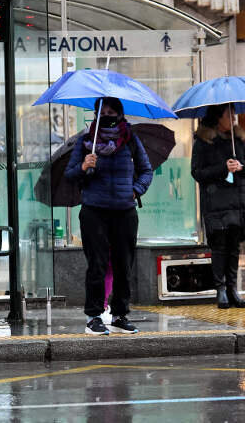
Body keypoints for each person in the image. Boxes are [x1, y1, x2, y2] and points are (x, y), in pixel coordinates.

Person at [65, 97, 152, 335]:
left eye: (113, 111)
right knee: (97, 264)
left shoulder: (131, 139)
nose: (108, 115)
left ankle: (119, 314)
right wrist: (84, 166)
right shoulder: (86, 141)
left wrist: (136, 190)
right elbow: (70, 175)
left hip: (125, 211)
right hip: (94, 211)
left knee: (124, 265)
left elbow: (146, 170)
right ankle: (94, 317)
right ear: (95, 114)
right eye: (103, 111)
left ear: (120, 114)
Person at [190, 103, 245, 309]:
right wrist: (222, 168)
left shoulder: (237, 140)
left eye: (234, 113)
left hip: (236, 202)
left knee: (234, 248)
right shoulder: (203, 141)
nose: (234, 117)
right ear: (218, 117)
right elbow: (197, 173)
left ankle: (233, 289)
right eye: (229, 114)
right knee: (219, 248)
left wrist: (241, 167)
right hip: (215, 203)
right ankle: (221, 290)